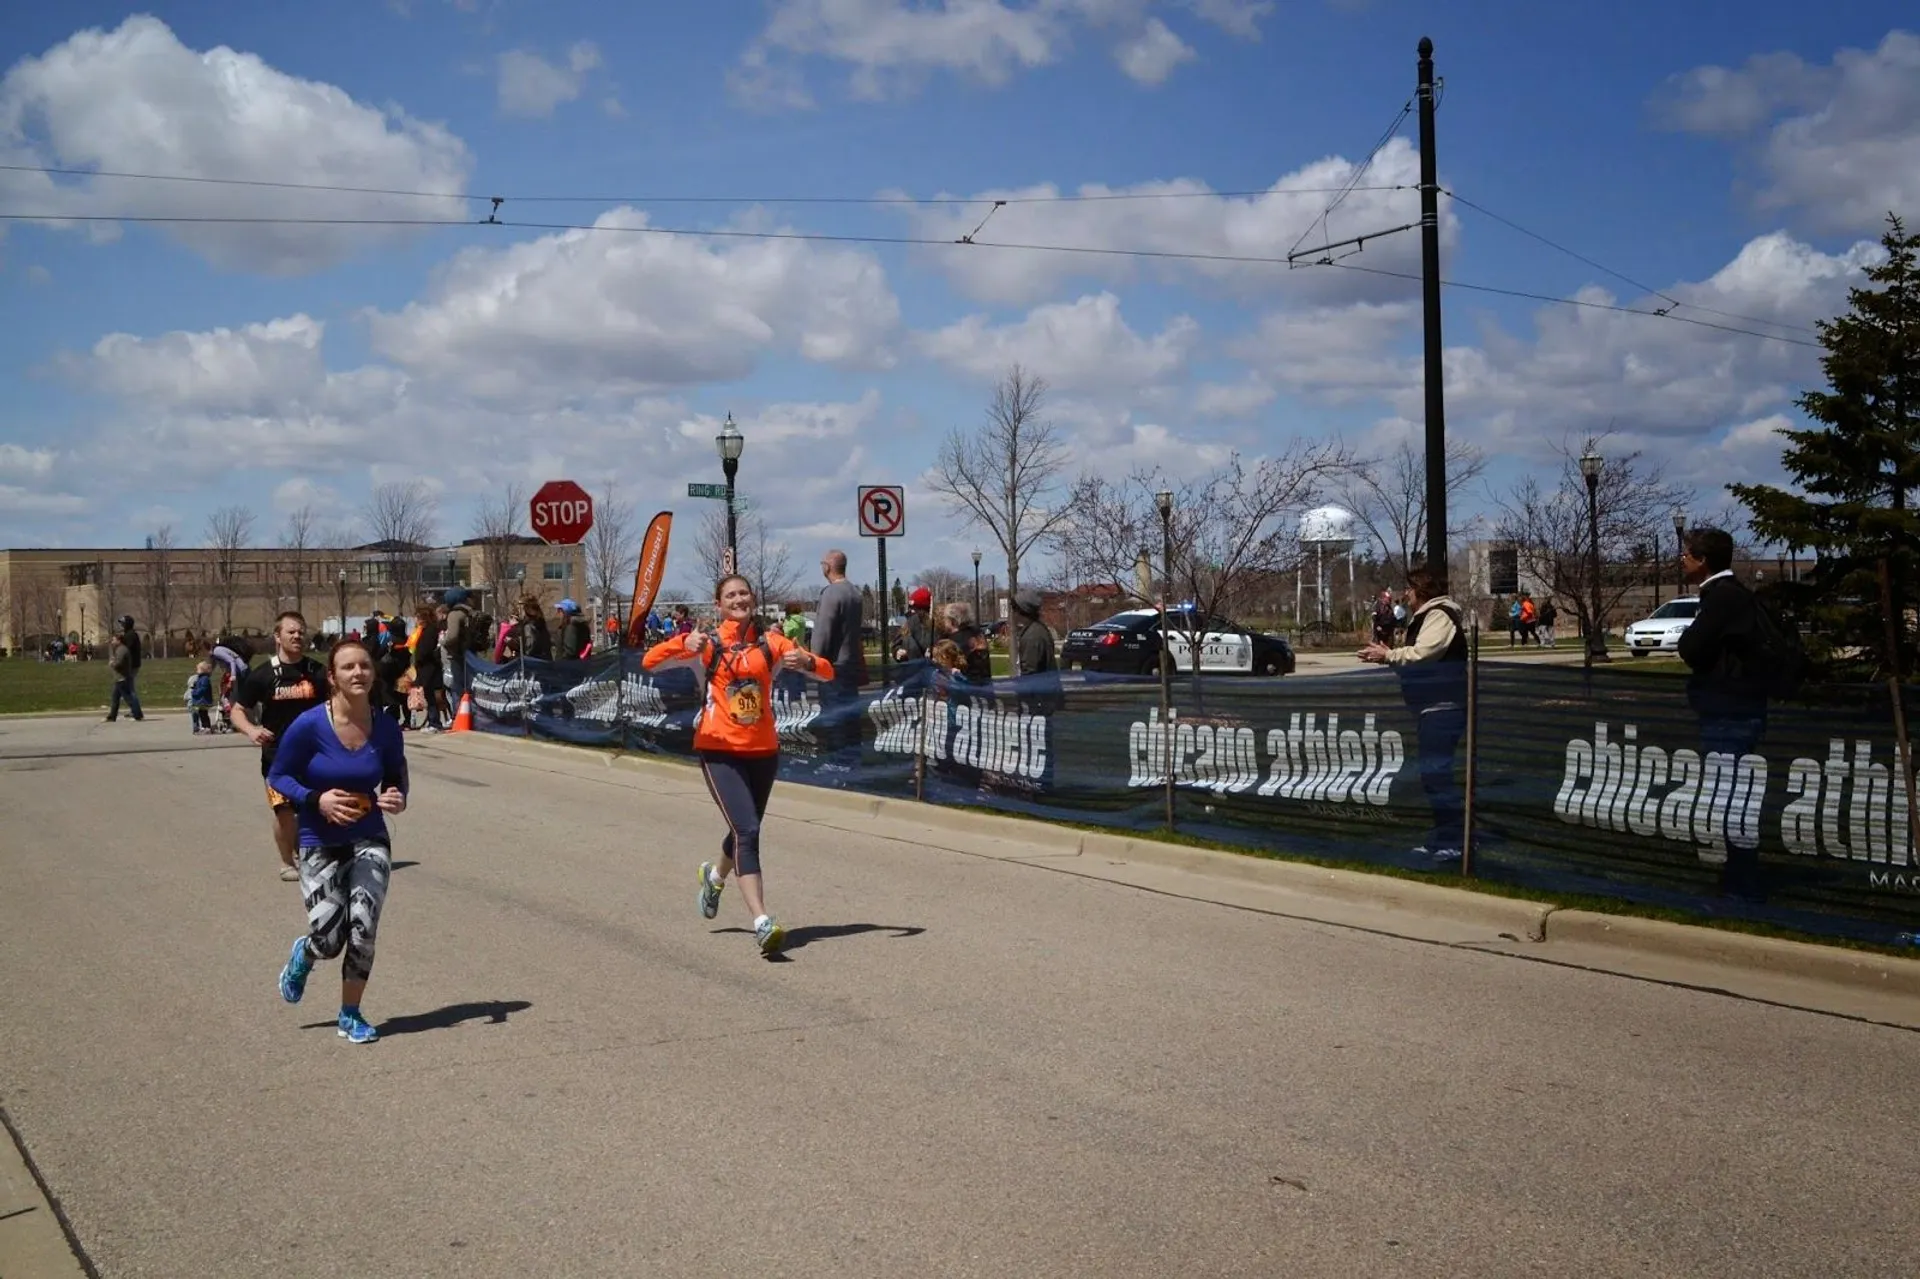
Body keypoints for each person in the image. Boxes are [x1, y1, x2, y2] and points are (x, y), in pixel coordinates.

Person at [643, 574, 835, 956]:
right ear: (719, 604)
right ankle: (762, 921)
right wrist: (683, 641)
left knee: (743, 828)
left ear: (753, 598)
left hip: (763, 752)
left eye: (744, 593)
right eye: (730, 595)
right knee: (747, 829)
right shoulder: (708, 644)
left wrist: (806, 659)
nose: (739, 599)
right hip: (718, 751)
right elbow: (650, 662)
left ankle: (714, 878)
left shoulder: (771, 644)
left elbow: (827, 671)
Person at [269, 639, 408, 1044]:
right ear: (333, 677)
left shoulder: (385, 726)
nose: (358, 673)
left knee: (363, 927)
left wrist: (396, 796)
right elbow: (279, 776)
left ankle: (351, 1013)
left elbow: (396, 775)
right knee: (329, 939)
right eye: (347, 667)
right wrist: (317, 799)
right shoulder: (310, 725)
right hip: (318, 838)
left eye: (364, 665)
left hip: (370, 836)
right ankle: (306, 954)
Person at [1676, 526, 1772, 900]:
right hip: (1730, 709)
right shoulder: (1726, 595)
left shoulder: (1723, 597)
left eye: (1687, 555)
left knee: (1732, 793)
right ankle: (1737, 871)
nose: (1682, 560)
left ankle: (1742, 879)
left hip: (1731, 713)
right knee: (1730, 791)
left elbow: (1693, 648)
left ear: (1703, 561)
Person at [1358, 566, 1468, 866]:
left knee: (1437, 776)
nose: (1405, 594)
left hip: (1443, 709)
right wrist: (1388, 656)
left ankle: (1453, 842)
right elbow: (1416, 660)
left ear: (1421, 589)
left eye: (1409, 588)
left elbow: (1423, 654)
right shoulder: (1424, 617)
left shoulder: (1439, 615)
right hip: (1429, 709)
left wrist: (1389, 655)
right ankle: (1442, 838)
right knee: (1432, 775)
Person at [230, 611, 330, 883]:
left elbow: (337, 705)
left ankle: (312, 853)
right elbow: (237, 710)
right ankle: (288, 862)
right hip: (278, 758)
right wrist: (251, 730)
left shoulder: (318, 673)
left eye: (301, 632)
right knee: (284, 811)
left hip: (314, 756)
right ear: (277, 636)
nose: (297, 636)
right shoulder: (262, 675)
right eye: (291, 632)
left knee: (314, 808)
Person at [410, 602, 446, 731]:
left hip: (429, 668)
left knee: (431, 696)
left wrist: (419, 657)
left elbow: (425, 650)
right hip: (426, 667)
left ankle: (434, 722)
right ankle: (432, 721)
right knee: (429, 696)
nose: (416, 619)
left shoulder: (429, 631)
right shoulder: (424, 630)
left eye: (417, 617)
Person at [938, 601, 993, 683]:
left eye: (945, 618)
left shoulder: (954, 640)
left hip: (964, 686)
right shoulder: (977, 633)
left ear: (953, 620)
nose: (944, 621)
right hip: (983, 684)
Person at [104, 615, 145, 722]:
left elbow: (126, 652)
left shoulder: (131, 635)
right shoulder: (128, 635)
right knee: (119, 692)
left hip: (131, 666)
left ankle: (136, 712)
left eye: (123, 623)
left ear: (128, 624)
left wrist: (115, 661)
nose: (121, 625)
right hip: (128, 667)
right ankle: (113, 715)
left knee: (129, 691)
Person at [440, 588, 476, 705]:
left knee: (458, 686)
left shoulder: (455, 614)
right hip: (471, 652)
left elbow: (452, 636)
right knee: (469, 685)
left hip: (458, 654)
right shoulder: (470, 612)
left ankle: (459, 713)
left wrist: (443, 642)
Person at [1009, 588, 1056, 676]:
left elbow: (1029, 673)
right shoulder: (1037, 629)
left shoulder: (1032, 636)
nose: (1012, 613)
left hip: (1039, 688)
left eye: (1014, 609)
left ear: (1021, 610)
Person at [894, 586, 933, 663]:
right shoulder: (907, 623)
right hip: (909, 670)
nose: (912, 611)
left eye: (915, 608)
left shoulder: (936, 626)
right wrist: (897, 651)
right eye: (910, 608)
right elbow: (897, 644)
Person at [187, 661, 216, 733]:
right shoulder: (201, 678)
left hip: (203, 700)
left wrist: (195, 692)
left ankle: (206, 727)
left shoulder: (205, 678)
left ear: (202, 670)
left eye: (198, 669)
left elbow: (203, 688)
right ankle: (204, 726)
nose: (196, 671)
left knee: (203, 714)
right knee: (202, 713)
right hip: (201, 700)